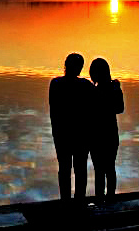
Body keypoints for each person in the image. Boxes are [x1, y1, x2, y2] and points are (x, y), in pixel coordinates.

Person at [49, 52, 95, 201]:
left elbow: (54, 112)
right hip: (80, 136)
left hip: (63, 135)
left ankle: (66, 201)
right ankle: (78, 200)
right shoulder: (86, 85)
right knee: (79, 169)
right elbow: (97, 104)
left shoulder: (56, 83)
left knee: (65, 169)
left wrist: (56, 132)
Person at [88, 57, 124, 203]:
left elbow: (119, 108)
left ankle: (102, 199)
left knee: (102, 169)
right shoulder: (113, 87)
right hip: (108, 134)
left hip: (100, 134)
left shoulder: (98, 90)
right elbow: (120, 109)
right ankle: (108, 199)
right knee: (108, 168)